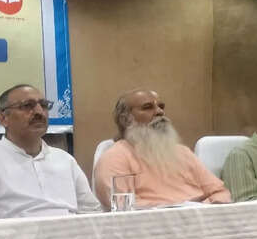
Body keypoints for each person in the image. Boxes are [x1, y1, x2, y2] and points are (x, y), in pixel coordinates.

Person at [0, 84, 100, 220]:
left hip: (70, 234)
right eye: (27, 106)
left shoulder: (65, 159)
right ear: (3, 119)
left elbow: (92, 212)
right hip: (17, 236)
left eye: (43, 105)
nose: (39, 112)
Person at [93, 89, 230, 209]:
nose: (160, 112)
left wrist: (201, 209)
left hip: (200, 219)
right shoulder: (115, 157)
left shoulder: (183, 152)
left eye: (161, 106)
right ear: (125, 119)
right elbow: (122, 206)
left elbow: (219, 192)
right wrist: (175, 212)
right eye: (148, 107)